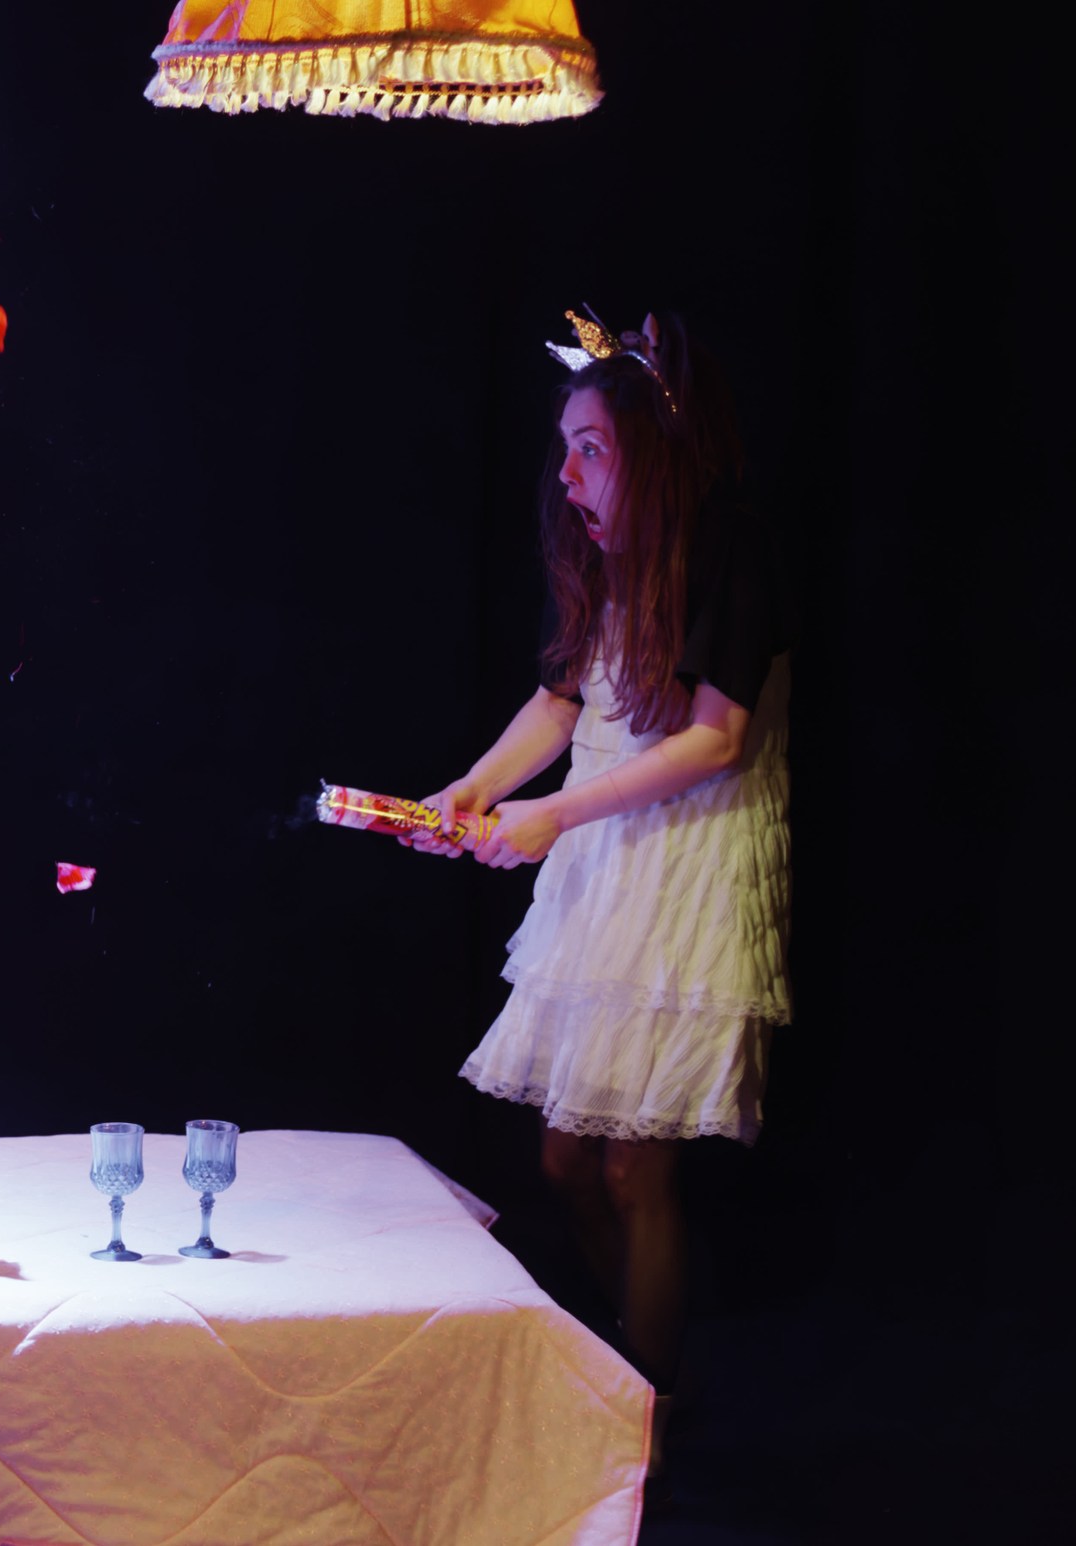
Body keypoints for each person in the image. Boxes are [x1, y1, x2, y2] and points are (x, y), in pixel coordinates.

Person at [403, 309, 790, 1477]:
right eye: (564, 448)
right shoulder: (598, 557)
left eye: (590, 449)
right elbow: (563, 702)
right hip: (605, 847)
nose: (566, 474)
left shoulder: (730, 545)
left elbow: (716, 740)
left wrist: (552, 816)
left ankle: (647, 1409)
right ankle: (638, 1357)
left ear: (651, 455)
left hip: (688, 856)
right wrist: (474, 788)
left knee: (634, 1162)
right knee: (567, 1162)